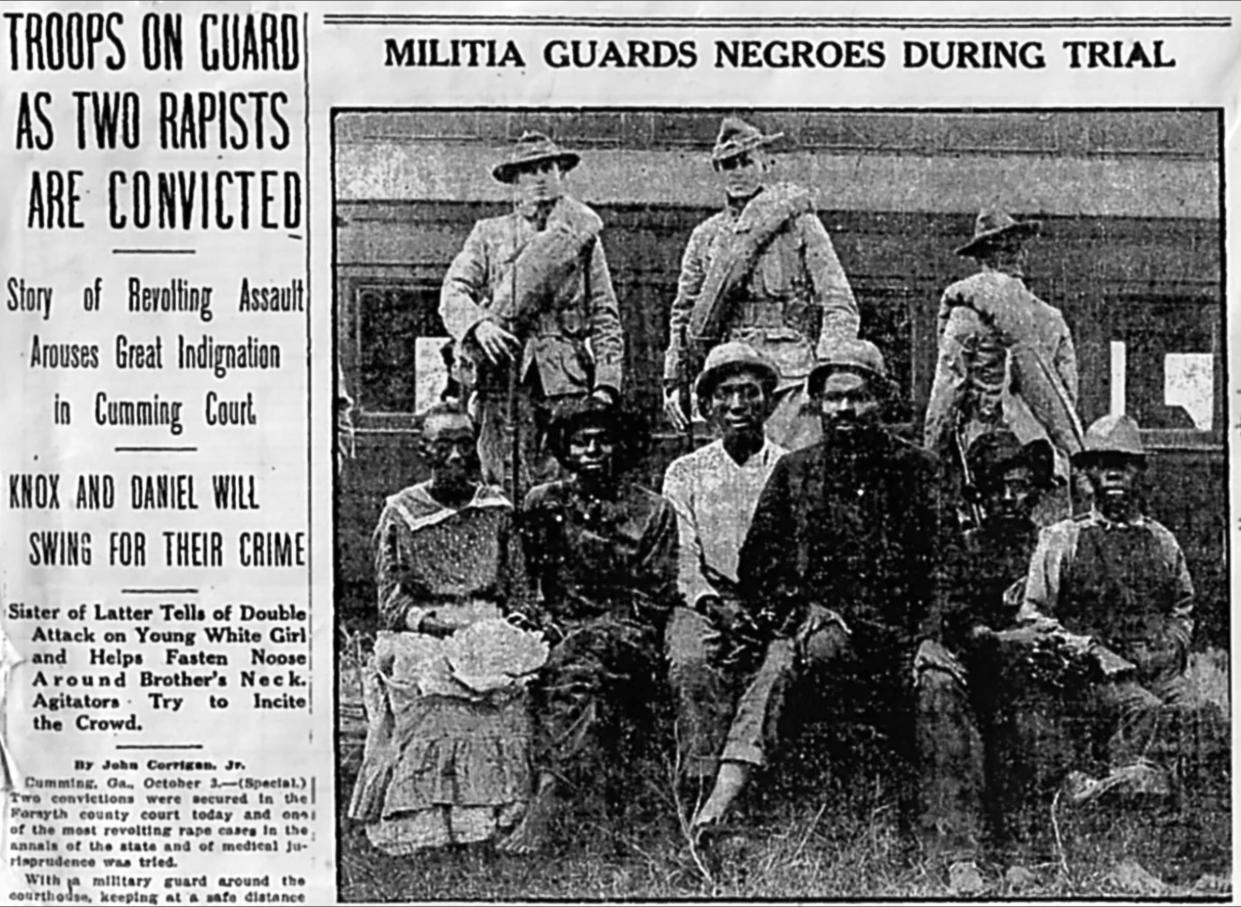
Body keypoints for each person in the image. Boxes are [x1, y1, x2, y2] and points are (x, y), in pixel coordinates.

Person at [736, 338, 985, 890]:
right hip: (832, 636)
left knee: (942, 689)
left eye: (858, 398)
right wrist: (802, 612)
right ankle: (821, 830)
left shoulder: (920, 471)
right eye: (833, 399)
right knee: (819, 664)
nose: (844, 411)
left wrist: (930, 637)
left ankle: (957, 851)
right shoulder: (795, 474)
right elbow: (759, 568)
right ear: (818, 404)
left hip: (905, 641)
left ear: (882, 402)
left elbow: (949, 569)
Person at [348, 405, 545, 855]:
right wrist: (437, 624)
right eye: (443, 446)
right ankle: (430, 822)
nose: (456, 456)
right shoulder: (401, 512)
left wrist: (509, 627)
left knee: (501, 685)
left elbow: (517, 589)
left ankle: (490, 818)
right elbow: (391, 601)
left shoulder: (496, 509)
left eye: (464, 444)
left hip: (486, 623)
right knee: (434, 684)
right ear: (424, 451)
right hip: (426, 629)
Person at [501, 398, 680, 854]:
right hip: (561, 629)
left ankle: (548, 796)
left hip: (628, 634)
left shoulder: (653, 511)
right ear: (565, 449)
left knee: (579, 666)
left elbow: (652, 600)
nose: (594, 451)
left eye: (604, 442)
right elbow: (527, 579)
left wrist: (589, 632)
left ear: (621, 448)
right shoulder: (544, 503)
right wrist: (540, 621)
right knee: (568, 668)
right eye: (582, 442)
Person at [1018, 414, 1226, 803]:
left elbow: (1183, 608)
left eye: (1124, 464)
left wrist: (1171, 646)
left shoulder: (1162, 542)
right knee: (1143, 709)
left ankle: (1192, 810)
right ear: (1088, 473)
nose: (1113, 473)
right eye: (1103, 464)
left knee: (1201, 712)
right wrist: (1088, 650)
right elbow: (1033, 613)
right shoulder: (1064, 539)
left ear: (1139, 472)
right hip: (1095, 677)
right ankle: (1125, 793)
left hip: (1155, 669)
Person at [440, 131, 624, 501]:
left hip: (566, 384)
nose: (540, 177)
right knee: (500, 482)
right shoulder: (488, 234)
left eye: (548, 167)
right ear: (513, 183)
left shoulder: (582, 237)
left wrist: (606, 384)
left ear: (561, 175)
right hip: (504, 376)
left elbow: (605, 314)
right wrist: (480, 325)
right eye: (528, 171)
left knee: (566, 489)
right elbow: (453, 294)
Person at [662, 116, 859, 450]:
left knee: (794, 476)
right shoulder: (706, 237)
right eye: (728, 165)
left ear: (766, 164)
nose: (737, 172)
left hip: (791, 378)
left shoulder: (800, 226)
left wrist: (826, 371)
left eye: (745, 162)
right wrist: (673, 380)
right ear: (718, 171)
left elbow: (839, 302)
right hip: (728, 375)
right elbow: (684, 313)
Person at [660, 342, 787, 823]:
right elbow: (683, 554)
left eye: (750, 393)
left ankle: (741, 792)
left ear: (770, 403)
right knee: (691, 661)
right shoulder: (686, 472)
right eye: (725, 394)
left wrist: (768, 610)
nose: (737, 406)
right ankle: (699, 789)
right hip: (706, 600)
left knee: (776, 663)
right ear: (707, 405)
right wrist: (714, 606)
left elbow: (800, 556)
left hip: (772, 604)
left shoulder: (790, 466)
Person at [939, 431, 1062, 857]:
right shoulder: (965, 548)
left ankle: (1029, 846)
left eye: (1020, 487)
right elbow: (960, 623)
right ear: (982, 496)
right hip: (982, 669)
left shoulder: (1050, 546)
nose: (1008, 498)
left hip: (1042, 670)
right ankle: (971, 850)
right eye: (997, 489)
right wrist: (1003, 638)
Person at [923, 208, 1081, 526]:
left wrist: (931, 457)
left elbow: (947, 394)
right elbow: (1066, 393)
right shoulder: (1051, 318)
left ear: (982, 258)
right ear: (1020, 255)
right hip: (1041, 455)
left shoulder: (965, 316)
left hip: (984, 451)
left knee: (980, 538)